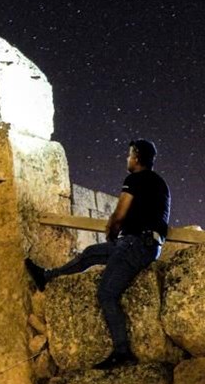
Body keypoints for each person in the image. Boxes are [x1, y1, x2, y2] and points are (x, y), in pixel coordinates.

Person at [26, 139, 170, 369]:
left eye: (129, 155)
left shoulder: (134, 179)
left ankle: (122, 352)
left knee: (106, 293)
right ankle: (47, 277)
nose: (127, 159)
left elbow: (120, 212)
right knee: (92, 253)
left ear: (136, 157)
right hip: (143, 243)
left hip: (135, 244)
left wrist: (112, 231)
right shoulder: (160, 183)